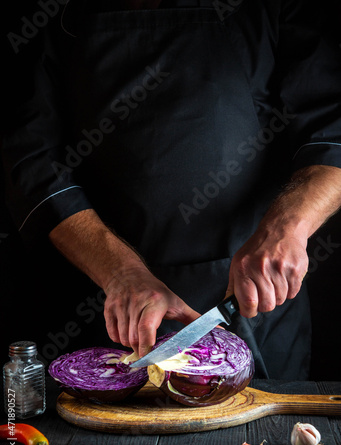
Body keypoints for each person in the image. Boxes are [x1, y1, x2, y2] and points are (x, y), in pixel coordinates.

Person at [2, 0, 341, 379]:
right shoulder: (51, 13)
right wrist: (120, 273)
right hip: (104, 303)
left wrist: (287, 229)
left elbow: (332, 134)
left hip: (255, 296)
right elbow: (29, 161)